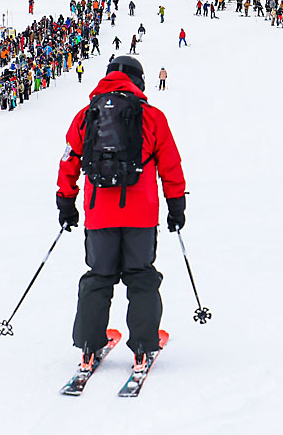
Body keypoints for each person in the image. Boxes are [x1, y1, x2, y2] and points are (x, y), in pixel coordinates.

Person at [55, 55, 186, 373]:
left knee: (99, 277)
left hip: (99, 213)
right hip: (141, 215)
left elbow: (69, 160)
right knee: (141, 276)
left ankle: (89, 346)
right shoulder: (152, 116)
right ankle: (142, 347)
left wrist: (66, 202)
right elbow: (170, 164)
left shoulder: (86, 116)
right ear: (139, 80)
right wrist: (176, 205)